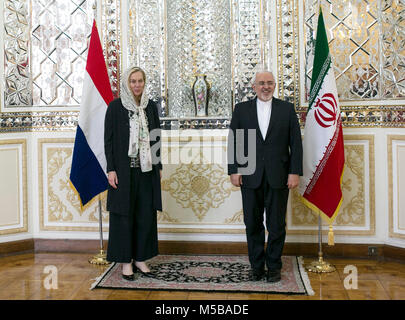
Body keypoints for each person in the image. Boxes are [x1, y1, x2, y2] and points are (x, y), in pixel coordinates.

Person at [227, 70, 303, 283]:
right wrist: (234, 170)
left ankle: (274, 266)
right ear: (254, 87)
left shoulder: (286, 109)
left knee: (276, 225)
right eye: (261, 83)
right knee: (252, 224)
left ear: (275, 85)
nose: (265, 87)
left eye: (269, 83)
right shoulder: (241, 110)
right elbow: (235, 141)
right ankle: (256, 267)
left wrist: (294, 172)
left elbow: (295, 144)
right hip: (249, 175)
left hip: (279, 176)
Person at [104, 66, 162, 281]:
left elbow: (156, 138)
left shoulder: (151, 108)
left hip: (146, 171)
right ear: (126, 84)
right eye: (133, 81)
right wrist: (111, 169)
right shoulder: (115, 107)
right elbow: (108, 141)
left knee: (145, 216)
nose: (137, 85)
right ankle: (125, 261)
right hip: (123, 172)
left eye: (140, 81)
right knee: (124, 216)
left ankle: (140, 258)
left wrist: (159, 166)